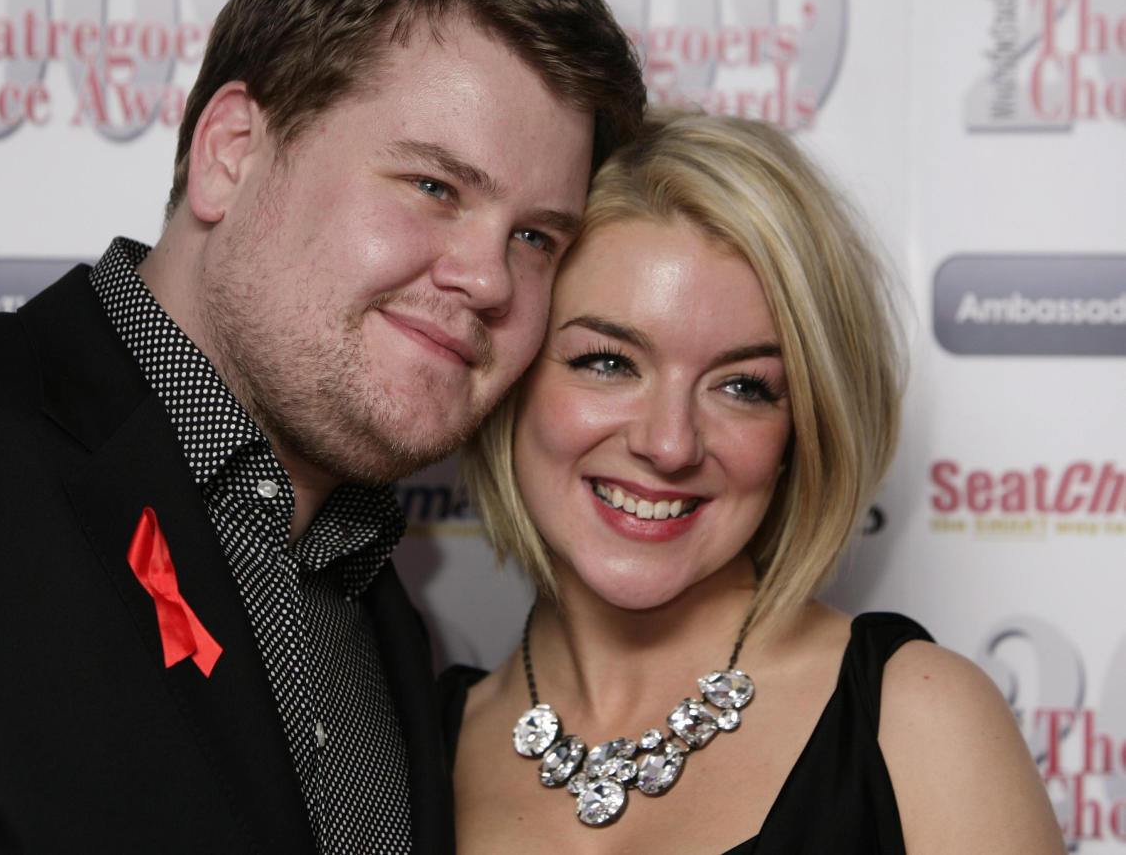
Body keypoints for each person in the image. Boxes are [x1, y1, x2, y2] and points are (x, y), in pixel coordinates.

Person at [0, 0, 643, 853]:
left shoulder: (381, 617)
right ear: (231, 153)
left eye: (534, 238)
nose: (490, 279)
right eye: (435, 187)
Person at [445, 111, 1066, 854]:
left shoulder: (918, 721)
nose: (669, 444)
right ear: (512, 377)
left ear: (801, 429)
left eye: (742, 386)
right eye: (608, 363)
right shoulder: (408, 741)